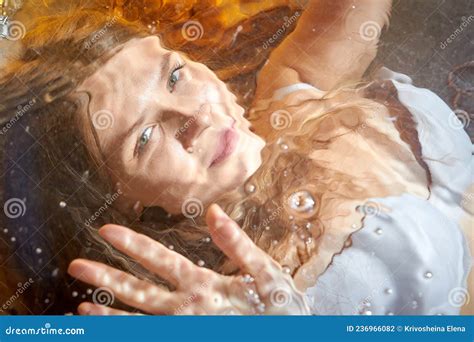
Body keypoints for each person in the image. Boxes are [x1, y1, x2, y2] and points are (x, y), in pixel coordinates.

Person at [1, 0, 471, 315]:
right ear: (124, 210)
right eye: (143, 138)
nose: (194, 116)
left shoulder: (290, 102)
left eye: (175, 75)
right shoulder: (221, 309)